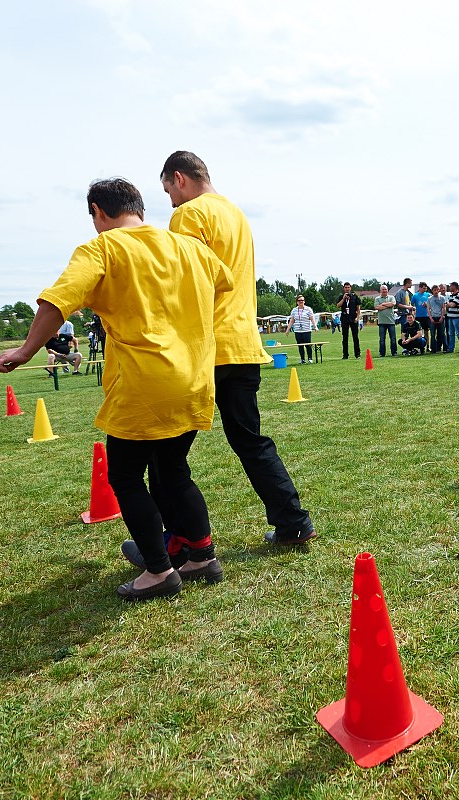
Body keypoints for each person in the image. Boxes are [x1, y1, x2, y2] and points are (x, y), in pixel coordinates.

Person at [0, 177, 232, 600]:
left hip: (144, 383)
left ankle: (159, 571)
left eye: (93, 218)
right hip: (194, 378)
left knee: (124, 476)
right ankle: (201, 556)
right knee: (174, 471)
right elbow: (223, 283)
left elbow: (56, 303)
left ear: (99, 212)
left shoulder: (102, 248)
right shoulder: (191, 247)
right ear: (139, 207)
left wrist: (28, 350)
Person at [158, 151, 317, 549]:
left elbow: (183, 281)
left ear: (179, 179)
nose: (171, 203)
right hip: (244, 345)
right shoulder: (236, 215)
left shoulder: (189, 214)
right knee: (250, 440)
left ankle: (177, 539)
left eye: (168, 192)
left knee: (166, 451)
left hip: (206, 346)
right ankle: (293, 522)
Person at [336, 281, 362, 359]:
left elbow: (358, 308)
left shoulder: (354, 296)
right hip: (345, 318)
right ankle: (345, 355)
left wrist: (357, 317)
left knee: (355, 337)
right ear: (344, 288)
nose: (347, 289)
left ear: (350, 288)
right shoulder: (341, 297)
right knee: (345, 337)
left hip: (353, 318)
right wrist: (343, 298)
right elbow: (338, 305)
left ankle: (357, 354)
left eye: (348, 287)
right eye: (346, 287)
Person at [289, 294, 317, 364]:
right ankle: (302, 359)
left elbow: (312, 319)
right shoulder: (294, 310)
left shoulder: (308, 309)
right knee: (300, 345)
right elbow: (292, 320)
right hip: (298, 330)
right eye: (299, 300)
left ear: (304, 301)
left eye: (302, 300)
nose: (301, 302)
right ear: (297, 302)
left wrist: (315, 327)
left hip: (306, 330)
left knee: (308, 345)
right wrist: (288, 329)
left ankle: (310, 358)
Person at [374, 284, 398, 357]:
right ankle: (382, 353)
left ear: (387, 290)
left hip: (391, 321)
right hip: (381, 322)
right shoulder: (377, 298)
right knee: (382, 339)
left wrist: (383, 304)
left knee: (393, 338)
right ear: (380, 291)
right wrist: (388, 305)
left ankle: (394, 352)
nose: (384, 291)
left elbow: (393, 303)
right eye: (383, 289)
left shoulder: (391, 297)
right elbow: (377, 307)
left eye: (385, 289)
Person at [444, 281, 459, 353]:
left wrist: (447, 304)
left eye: (450, 286)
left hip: (457, 317)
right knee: (451, 334)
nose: (449, 287)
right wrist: (448, 304)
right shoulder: (451, 296)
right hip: (450, 316)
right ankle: (451, 348)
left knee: (458, 333)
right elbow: (449, 305)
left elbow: (451, 305)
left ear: (454, 286)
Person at [411, 281, 432, 349]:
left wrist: (428, 305)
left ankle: (428, 346)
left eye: (426, 288)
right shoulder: (415, 296)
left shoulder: (428, 295)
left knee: (426, 332)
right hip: (418, 316)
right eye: (423, 288)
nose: (425, 289)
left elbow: (433, 304)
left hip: (426, 316)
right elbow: (411, 305)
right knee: (419, 332)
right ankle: (420, 346)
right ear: (420, 288)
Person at [427, 283, 447, 352]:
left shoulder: (442, 298)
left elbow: (443, 308)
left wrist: (442, 317)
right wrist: (431, 318)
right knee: (432, 334)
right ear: (432, 291)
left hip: (440, 317)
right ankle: (433, 349)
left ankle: (444, 348)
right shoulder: (429, 299)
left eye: (437, 290)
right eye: (434, 290)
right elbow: (428, 309)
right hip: (433, 317)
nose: (436, 291)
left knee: (442, 333)